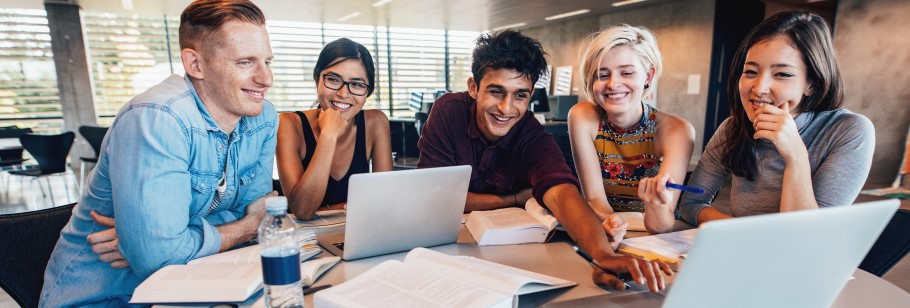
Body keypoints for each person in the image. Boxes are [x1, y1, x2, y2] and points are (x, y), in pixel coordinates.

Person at [40, 0, 278, 305]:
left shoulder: (263, 118)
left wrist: (158, 239)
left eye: (267, 61)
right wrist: (245, 226)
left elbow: (261, 213)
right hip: (111, 297)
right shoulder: (157, 117)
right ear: (195, 65)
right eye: (245, 62)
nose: (266, 79)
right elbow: (160, 258)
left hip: (198, 284)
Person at [417, 29, 672, 292]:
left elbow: (562, 193)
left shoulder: (532, 134)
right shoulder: (448, 111)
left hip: (502, 254)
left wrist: (603, 256)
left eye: (520, 95)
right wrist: (513, 199)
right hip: (443, 248)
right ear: (473, 87)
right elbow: (436, 197)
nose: (506, 108)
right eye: (496, 92)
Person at [676, 11, 875, 226]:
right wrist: (739, 233)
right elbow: (691, 203)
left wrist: (795, 156)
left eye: (782, 74)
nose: (759, 88)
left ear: (812, 83)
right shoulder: (732, 128)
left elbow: (809, 235)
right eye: (751, 72)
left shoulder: (849, 131)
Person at [569, 25, 695, 235]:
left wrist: (657, 205)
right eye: (602, 75)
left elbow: (661, 224)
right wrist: (613, 224)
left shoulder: (676, 130)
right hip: (610, 230)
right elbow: (594, 200)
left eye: (626, 72)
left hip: (660, 236)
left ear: (648, 76)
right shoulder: (582, 117)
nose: (613, 84)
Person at [276, 38, 392, 220]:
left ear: (367, 92)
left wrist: (326, 209)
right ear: (317, 80)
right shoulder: (289, 124)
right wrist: (329, 134)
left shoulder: (375, 122)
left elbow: (385, 201)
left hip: (361, 231)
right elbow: (303, 210)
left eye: (357, 84)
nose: (343, 93)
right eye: (333, 79)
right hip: (309, 240)